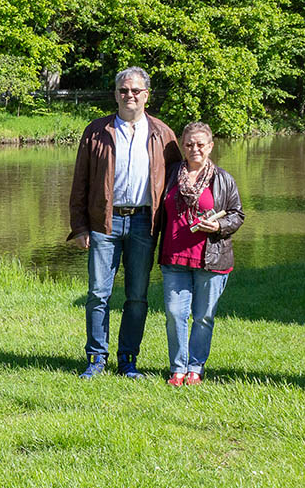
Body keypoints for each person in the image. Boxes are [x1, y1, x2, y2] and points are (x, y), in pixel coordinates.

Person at [69, 66, 180, 379]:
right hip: (104, 223)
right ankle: (96, 359)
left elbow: (174, 185)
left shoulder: (163, 134)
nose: (129, 96)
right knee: (98, 294)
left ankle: (128, 360)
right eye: (123, 90)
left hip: (144, 222)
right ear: (115, 94)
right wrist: (79, 226)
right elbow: (80, 182)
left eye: (135, 91)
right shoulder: (96, 131)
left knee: (136, 296)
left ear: (146, 95)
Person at [157, 122, 244, 386]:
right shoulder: (170, 174)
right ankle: (178, 368)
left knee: (203, 316)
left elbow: (237, 215)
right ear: (182, 146)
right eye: (189, 144)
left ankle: (195, 367)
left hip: (211, 259)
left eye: (200, 144)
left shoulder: (223, 179)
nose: (195, 149)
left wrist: (218, 225)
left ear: (210, 146)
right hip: (174, 259)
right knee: (174, 314)